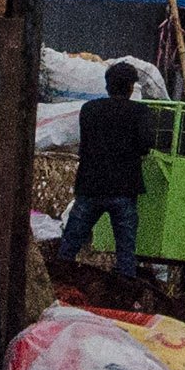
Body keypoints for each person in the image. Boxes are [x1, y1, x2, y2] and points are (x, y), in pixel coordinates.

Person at [59, 59, 155, 274]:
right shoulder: (140, 112)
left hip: (90, 186)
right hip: (124, 188)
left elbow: (85, 142)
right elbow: (146, 144)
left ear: (107, 85)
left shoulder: (89, 109)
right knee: (125, 251)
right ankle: (125, 295)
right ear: (131, 87)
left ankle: (59, 283)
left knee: (69, 246)